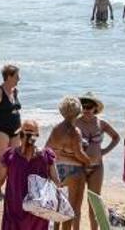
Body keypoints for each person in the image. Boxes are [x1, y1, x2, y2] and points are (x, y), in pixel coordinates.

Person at [0, 120, 59, 230]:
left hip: (15, 208)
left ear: (19, 135)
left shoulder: (10, 155)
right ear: (37, 136)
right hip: (38, 209)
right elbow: (56, 181)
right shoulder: (46, 155)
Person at [45, 97, 91, 230]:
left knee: (57, 209)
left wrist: (61, 153)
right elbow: (79, 154)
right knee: (71, 210)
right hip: (74, 171)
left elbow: (47, 149)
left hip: (57, 169)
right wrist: (89, 162)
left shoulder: (56, 129)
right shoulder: (75, 131)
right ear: (78, 112)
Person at [76, 92, 120, 230]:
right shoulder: (75, 122)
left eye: (89, 106)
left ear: (95, 108)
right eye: (84, 106)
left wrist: (104, 152)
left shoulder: (101, 123)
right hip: (79, 167)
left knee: (94, 204)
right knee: (76, 203)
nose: (86, 109)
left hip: (97, 168)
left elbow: (116, 137)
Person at [0, 65, 22, 177]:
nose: (19, 79)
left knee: (15, 158)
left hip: (15, 130)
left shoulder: (15, 91)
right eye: (16, 76)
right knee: (2, 157)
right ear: (8, 77)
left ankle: (10, 186)